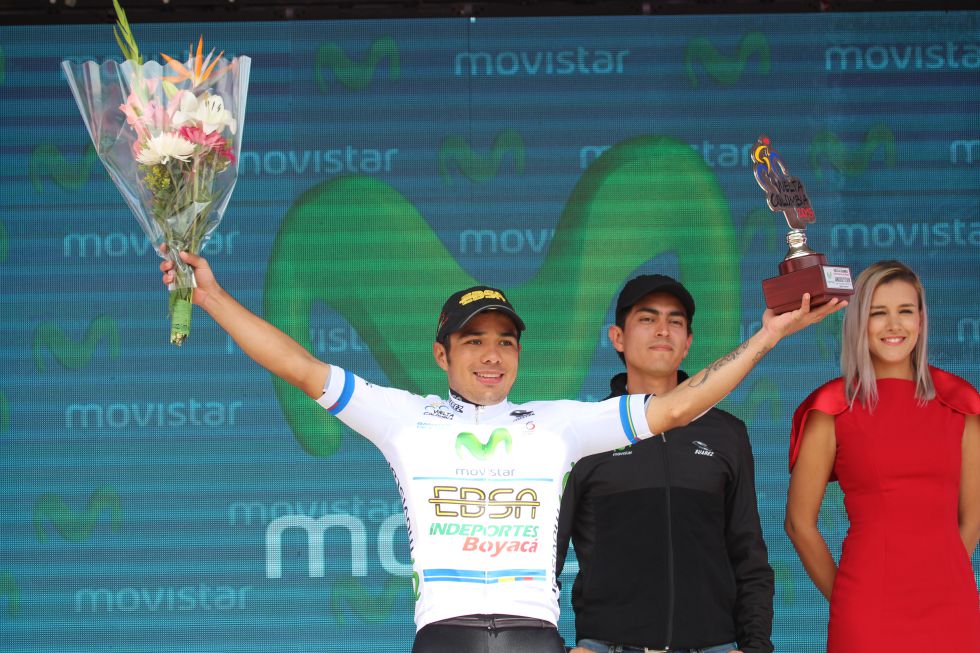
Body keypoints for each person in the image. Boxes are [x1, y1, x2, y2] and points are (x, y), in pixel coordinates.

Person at [160, 250, 842, 653]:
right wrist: (211, 297)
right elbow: (300, 367)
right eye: (474, 341)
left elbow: (679, 407)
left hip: (533, 637)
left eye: (505, 342)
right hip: (446, 636)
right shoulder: (404, 417)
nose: (491, 355)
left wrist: (767, 337)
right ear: (442, 354)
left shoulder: (558, 423)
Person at [556, 274, 774, 653]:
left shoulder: (727, 433)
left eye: (675, 321)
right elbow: (544, 559)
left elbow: (748, 554)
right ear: (617, 337)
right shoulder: (584, 431)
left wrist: (756, 647)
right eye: (647, 318)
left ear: (687, 343)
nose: (663, 330)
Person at [785, 260, 980, 651]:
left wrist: (939, 575)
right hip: (866, 607)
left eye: (905, 311)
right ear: (859, 322)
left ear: (921, 319)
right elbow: (798, 523)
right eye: (878, 313)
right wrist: (848, 597)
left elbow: (972, 517)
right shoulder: (831, 407)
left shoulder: (961, 402)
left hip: (952, 607)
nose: (894, 325)